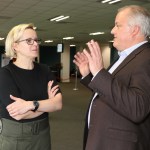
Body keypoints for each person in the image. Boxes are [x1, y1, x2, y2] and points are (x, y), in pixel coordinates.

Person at [73, 5, 150, 150]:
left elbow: (137, 107)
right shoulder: (126, 57)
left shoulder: (146, 58)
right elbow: (113, 92)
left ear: (135, 30)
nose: (112, 31)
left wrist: (100, 73)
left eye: (117, 25)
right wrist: (89, 75)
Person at [0, 23, 62, 150]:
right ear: (15, 45)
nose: (35, 44)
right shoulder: (5, 73)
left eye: (36, 40)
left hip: (43, 134)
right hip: (16, 136)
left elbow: (58, 104)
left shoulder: (45, 70)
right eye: (29, 41)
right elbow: (18, 115)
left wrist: (31, 105)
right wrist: (48, 104)